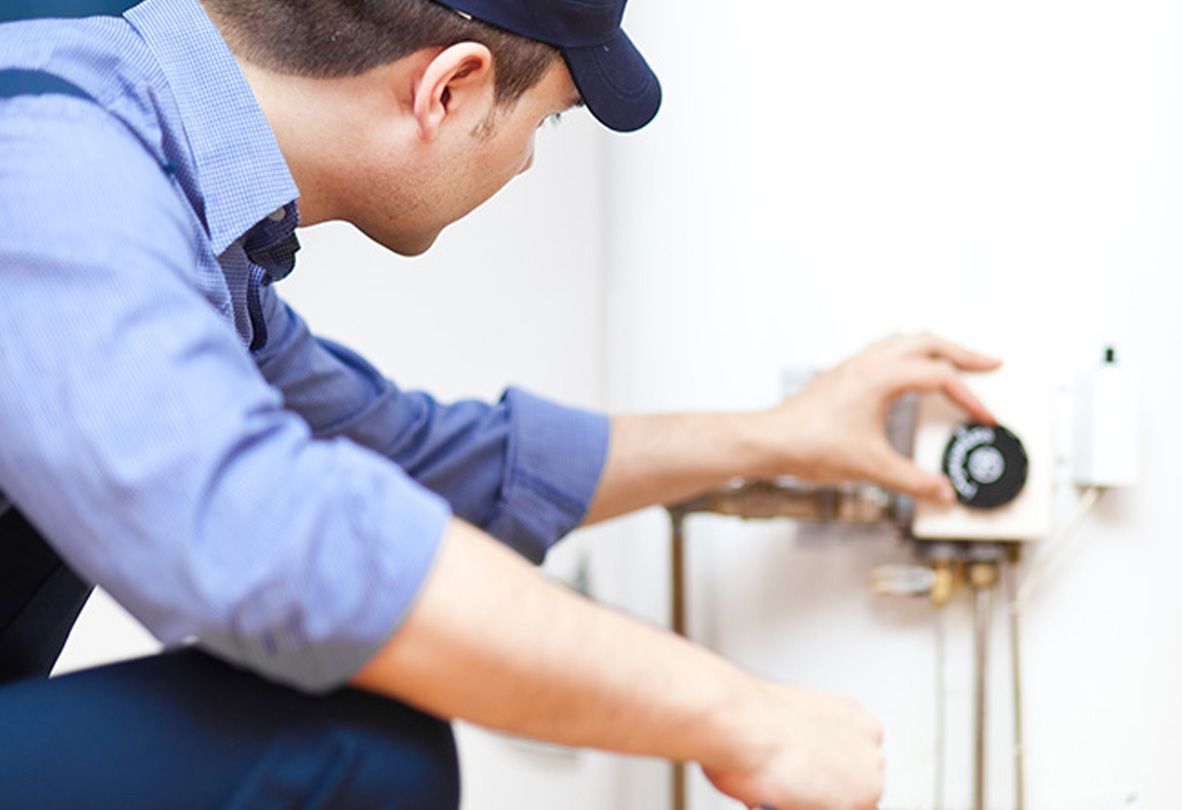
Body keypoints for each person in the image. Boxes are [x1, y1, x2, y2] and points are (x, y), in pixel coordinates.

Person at [0, 0, 1001, 807]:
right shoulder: (53, 152)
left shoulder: (179, 207)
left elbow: (414, 462)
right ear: (450, 88)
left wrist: (777, 439)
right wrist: (737, 713)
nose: (526, 159)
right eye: (549, 119)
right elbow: (271, 537)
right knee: (350, 746)